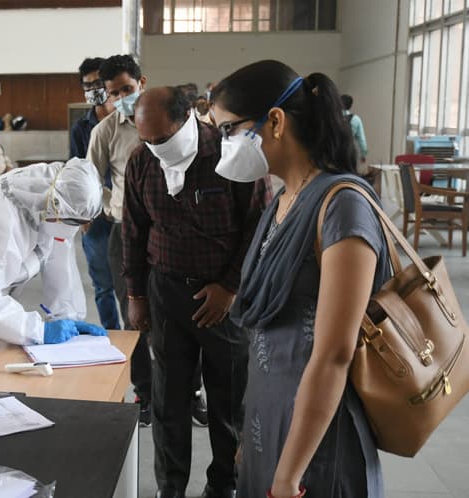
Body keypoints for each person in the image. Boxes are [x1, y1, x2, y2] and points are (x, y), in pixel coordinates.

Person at [212, 60, 388, 498]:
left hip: (315, 443)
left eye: (228, 129)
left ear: (275, 121)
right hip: (269, 419)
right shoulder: (284, 200)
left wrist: (288, 476)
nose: (223, 144)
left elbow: (333, 354)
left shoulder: (343, 206)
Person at [124, 87, 271, 498]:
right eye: (147, 140)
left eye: (162, 139)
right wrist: (136, 296)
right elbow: (134, 231)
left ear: (187, 116)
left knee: (228, 402)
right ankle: (169, 487)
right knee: (168, 401)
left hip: (224, 301)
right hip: (167, 293)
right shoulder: (142, 161)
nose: (155, 148)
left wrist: (229, 287)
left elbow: (260, 227)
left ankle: (223, 486)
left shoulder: (232, 155)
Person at [89, 55, 205, 427]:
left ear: (141, 82)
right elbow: (90, 181)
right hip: (126, 234)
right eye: (113, 93)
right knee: (135, 316)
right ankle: (144, 392)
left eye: (126, 88)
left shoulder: (173, 119)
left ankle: (191, 392)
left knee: (188, 312)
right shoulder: (105, 132)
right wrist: (110, 206)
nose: (120, 97)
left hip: (173, 233)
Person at [0, 158, 108, 346]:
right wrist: (38, 330)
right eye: (75, 222)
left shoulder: (49, 204)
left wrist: (68, 317)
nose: (80, 229)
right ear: (56, 204)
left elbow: (59, 263)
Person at [70, 57, 119, 332]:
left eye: (98, 83)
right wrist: (82, 214)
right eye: (87, 85)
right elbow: (76, 172)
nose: (93, 89)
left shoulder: (128, 121)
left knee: (133, 285)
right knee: (103, 286)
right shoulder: (81, 128)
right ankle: (112, 336)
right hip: (97, 214)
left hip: (127, 212)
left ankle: (138, 339)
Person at [341, 94, 368, 164]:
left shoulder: (333, 118)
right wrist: (363, 155)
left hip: (333, 154)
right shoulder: (356, 119)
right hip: (349, 153)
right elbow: (362, 140)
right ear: (350, 105)